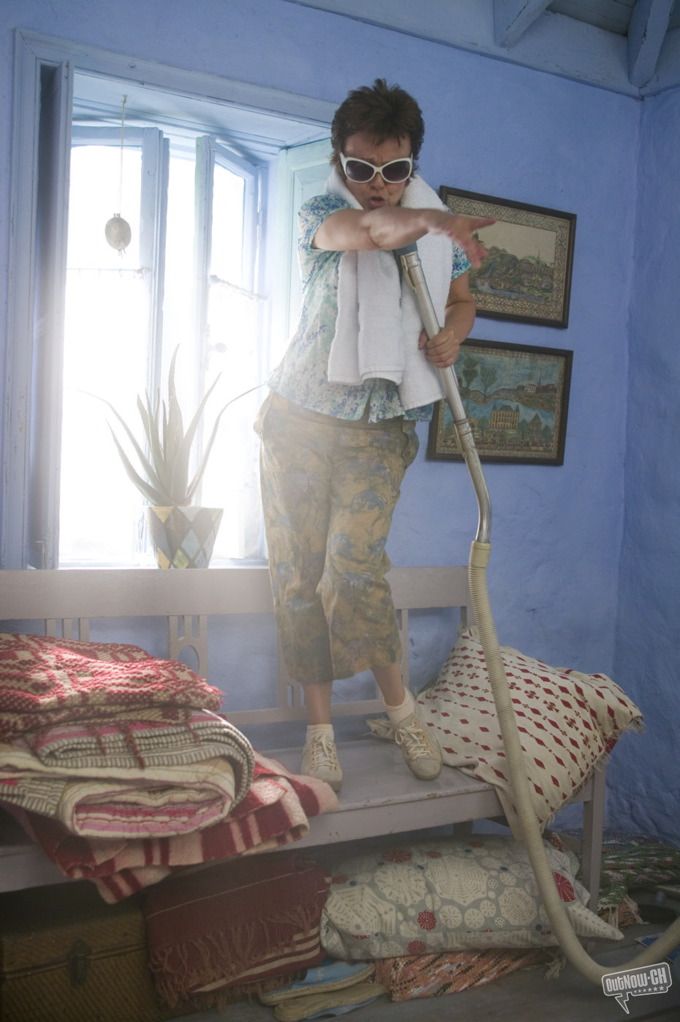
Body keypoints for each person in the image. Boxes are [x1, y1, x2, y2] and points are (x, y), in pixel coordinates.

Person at [256, 79, 490, 792]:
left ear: (412, 162)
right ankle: (320, 732)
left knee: (354, 568)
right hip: (298, 415)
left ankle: (402, 709)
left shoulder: (430, 223)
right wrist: (433, 224)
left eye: (393, 171)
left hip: (381, 425)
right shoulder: (323, 212)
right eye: (361, 168)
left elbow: (460, 300)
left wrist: (453, 333)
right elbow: (366, 235)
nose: (377, 186)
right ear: (340, 161)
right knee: (298, 577)